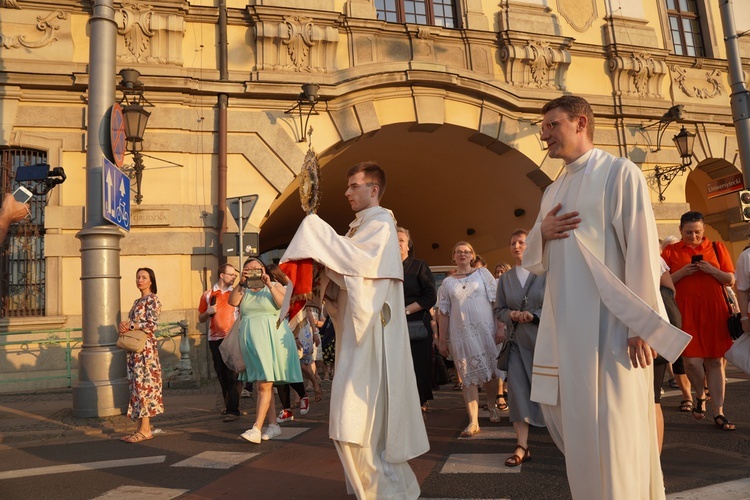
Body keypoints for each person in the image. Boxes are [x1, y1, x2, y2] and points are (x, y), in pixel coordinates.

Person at [524, 95, 690, 499]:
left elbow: (642, 252)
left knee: (617, 427)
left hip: (613, 328)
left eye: (552, 125)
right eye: (542, 127)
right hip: (567, 328)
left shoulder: (619, 173)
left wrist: (641, 325)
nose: (544, 135)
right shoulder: (551, 191)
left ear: (580, 122)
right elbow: (536, 262)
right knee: (579, 426)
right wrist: (540, 234)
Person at [280, 162, 428, 499]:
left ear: (373, 189)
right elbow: (348, 276)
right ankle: (389, 491)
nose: (347, 192)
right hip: (356, 337)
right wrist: (322, 273)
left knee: (354, 424)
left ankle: (386, 492)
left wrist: (317, 234)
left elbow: (359, 267)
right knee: (353, 426)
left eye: (354, 186)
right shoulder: (358, 230)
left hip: (372, 337)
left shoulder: (382, 225)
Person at [661, 211, 736, 430]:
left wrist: (712, 270)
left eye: (698, 232)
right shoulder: (670, 251)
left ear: (704, 230)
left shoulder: (716, 248)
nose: (694, 237)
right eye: (688, 232)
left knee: (714, 361)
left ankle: (719, 412)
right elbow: (662, 283)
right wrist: (682, 272)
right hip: (685, 311)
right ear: (680, 230)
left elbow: (730, 279)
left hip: (714, 310)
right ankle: (700, 395)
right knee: (692, 361)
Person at [229, 258, 303, 444]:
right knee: (262, 383)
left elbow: (281, 304)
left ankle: (256, 428)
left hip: (272, 337)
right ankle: (273, 425)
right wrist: (241, 283)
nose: (252, 270)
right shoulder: (243, 289)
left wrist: (269, 285)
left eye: (257, 268)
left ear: (264, 270)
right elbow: (232, 302)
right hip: (251, 339)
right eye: (248, 268)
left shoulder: (276, 285)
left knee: (264, 383)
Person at [438, 241, 502, 436]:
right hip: (461, 335)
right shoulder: (447, 282)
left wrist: (500, 327)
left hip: (486, 332)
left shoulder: (483, 274)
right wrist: (442, 340)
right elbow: (443, 312)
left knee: (490, 374)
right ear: (454, 257)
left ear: (472, 256)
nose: (462, 254)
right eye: (458, 252)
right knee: (467, 378)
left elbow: (496, 301)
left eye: (466, 251)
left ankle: (491, 404)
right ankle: (473, 421)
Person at [494, 229, 546, 467]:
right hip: (516, 343)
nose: (517, 246)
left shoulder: (545, 273)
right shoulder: (505, 279)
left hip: (543, 343)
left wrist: (534, 315)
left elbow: (557, 306)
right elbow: (499, 310)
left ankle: (567, 441)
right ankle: (522, 445)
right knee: (517, 393)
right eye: (513, 243)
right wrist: (510, 314)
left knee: (551, 392)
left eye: (522, 242)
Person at [118, 267, 164, 443]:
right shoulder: (137, 301)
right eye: (138, 277)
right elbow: (135, 324)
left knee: (144, 388)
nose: (140, 280)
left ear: (151, 280)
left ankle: (146, 430)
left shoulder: (153, 300)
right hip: (135, 352)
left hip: (146, 352)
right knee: (137, 389)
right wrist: (125, 325)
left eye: (144, 277)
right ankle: (140, 428)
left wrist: (131, 326)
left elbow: (152, 325)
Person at [398, 227, 437, 413]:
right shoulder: (383, 267)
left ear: (408, 245)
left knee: (418, 363)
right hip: (392, 323)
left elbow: (430, 296)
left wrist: (405, 310)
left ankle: (420, 400)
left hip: (416, 322)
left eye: (401, 240)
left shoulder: (419, 266)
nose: (398, 244)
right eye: (394, 240)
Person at [198, 263, 242, 421]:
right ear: (222, 275)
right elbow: (201, 317)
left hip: (232, 337)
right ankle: (228, 404)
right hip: (214, 339)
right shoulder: (208, 294)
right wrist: (208, 312)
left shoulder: (237, 293)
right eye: (231, 275)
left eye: (235, 276)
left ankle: (233, 410)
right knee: (222, 374)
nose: (234, 277)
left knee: (234, 373)